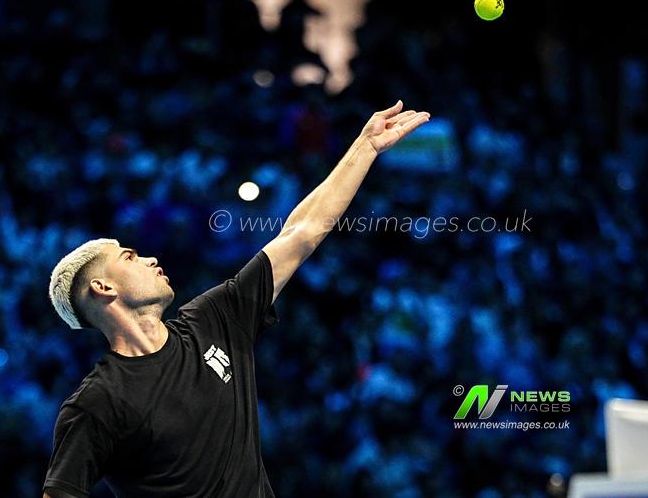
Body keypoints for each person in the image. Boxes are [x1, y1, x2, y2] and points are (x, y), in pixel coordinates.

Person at [42, 101, 430, 498]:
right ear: (103, 288)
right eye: (129, 257)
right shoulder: (97, 402)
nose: (149, 258)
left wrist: (364, 147)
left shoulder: (212, 319)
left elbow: (301, 233)